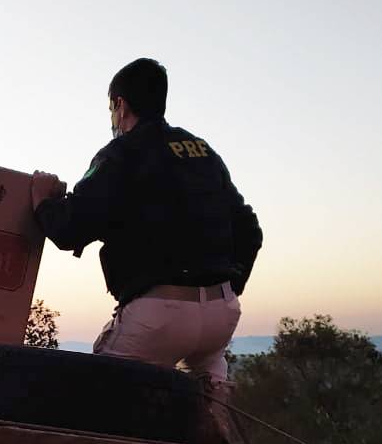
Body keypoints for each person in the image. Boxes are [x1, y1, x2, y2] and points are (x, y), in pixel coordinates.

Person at [31, 58, 262, 385]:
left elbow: (71, 228)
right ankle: (215, 422)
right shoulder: (202, 152)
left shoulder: (121, 154)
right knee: (209, 389)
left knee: (100, 392)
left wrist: (42, 201)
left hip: (158, 315)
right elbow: (250, 230)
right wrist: (225, 288)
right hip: (220, 313)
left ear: (120, 105)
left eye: (111, 109)